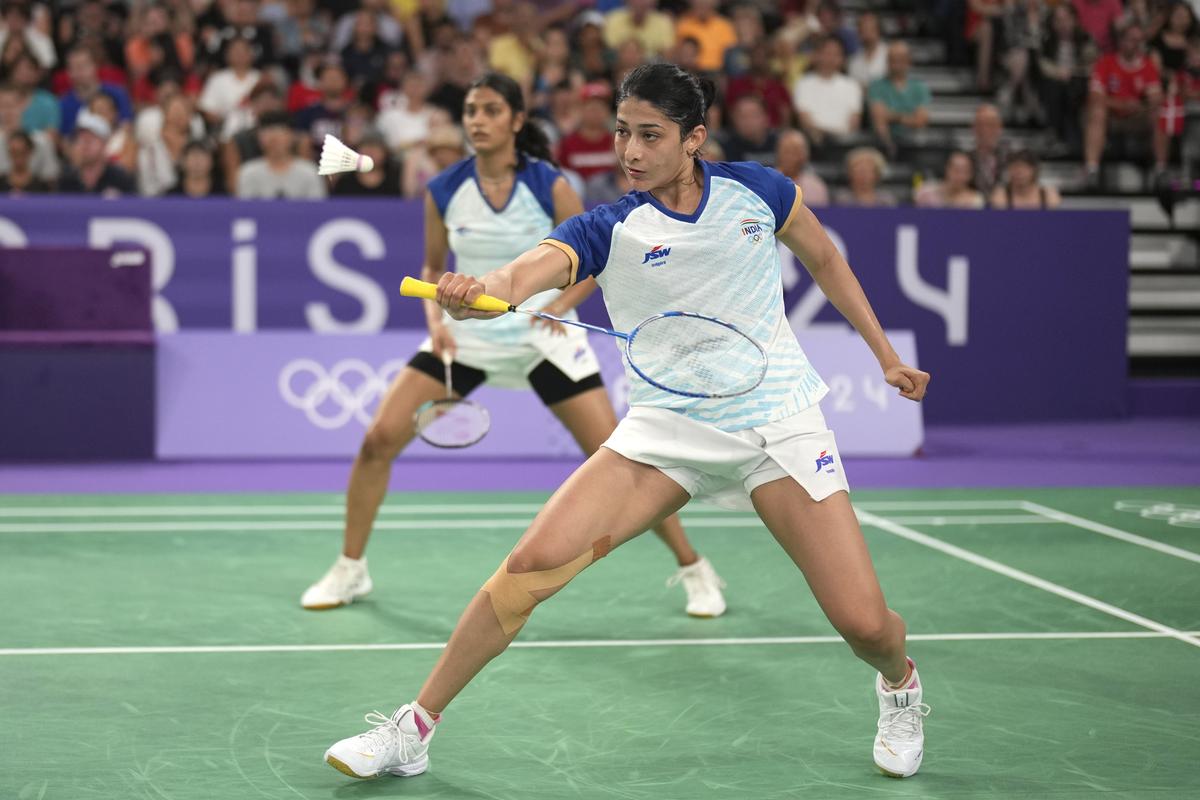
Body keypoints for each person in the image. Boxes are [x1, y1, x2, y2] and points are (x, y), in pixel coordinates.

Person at [323, 62, 931, 784]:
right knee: (523, 573)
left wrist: (886, 355)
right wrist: (473, 290)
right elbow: (519, 277)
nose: (629, 152)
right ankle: (413, 728)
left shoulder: (760, 191)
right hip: (665, 430)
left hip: (777, 422)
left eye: (650, 135)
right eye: (621, 133)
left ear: (695, 137)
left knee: (864, 625)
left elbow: (826, 259)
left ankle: (900, 686)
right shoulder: (609, 226)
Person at [301, 72, 726, 619]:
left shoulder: (548, 184)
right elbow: (434, 268)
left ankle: (693, 567)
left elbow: (598, 257)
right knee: (378, 439)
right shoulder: (444, 188)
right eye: (472, 110)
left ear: (516, 120)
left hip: (540, 339)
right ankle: (349, 567)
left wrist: (560, 307)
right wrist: (435, 319)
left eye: (491, 110)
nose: (477, 120)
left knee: (627, 465)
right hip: (469, 340)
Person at [989, 148, 1063, 208]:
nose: (1019, 173)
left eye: (1024, 168)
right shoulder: (1000, 196)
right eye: (1015, 168)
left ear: (1034, 171)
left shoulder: (1049, 195)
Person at [914, 150, 987, 208]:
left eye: (965, 171)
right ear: (946, 169)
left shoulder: (976, 201)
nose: (959, 176)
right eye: (956, 170)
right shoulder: (925, 192)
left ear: (970, 175)